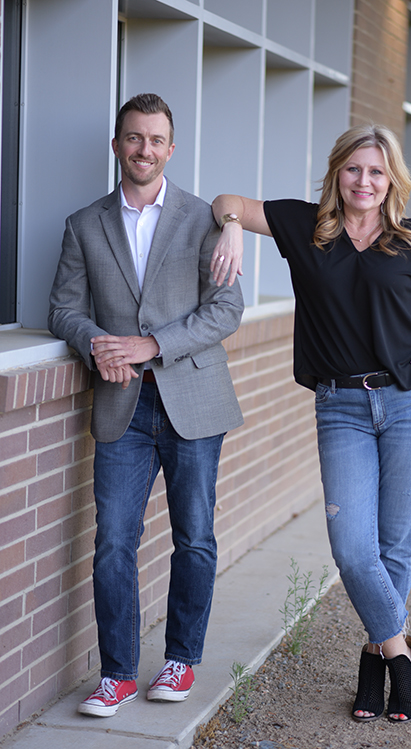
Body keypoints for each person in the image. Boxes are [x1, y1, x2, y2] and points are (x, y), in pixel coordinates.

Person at [210, 124, 411, 724]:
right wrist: (233, 226)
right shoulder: (305, 226)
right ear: (336, 172)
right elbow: (227, 201)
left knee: (393, 544)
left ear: (391, 179)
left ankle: (374, 663)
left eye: (376, 171)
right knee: (351, 547)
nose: (364, 181)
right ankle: (399, 652)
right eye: (353, 169)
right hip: (341, 405)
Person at [48, 93, 244, 717]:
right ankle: (118, 674)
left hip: (193, 400)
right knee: (113, 542)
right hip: (121, 405)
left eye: (156, 140)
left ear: (171, 149)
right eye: (134, 138)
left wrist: (152, 344)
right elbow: (63, 310)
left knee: (195, 538)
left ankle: (181, 660)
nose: (144, 149)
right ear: (117, 145)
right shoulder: (84, 224)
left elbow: (227, 309)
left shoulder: (203, 218)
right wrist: (96, 344)